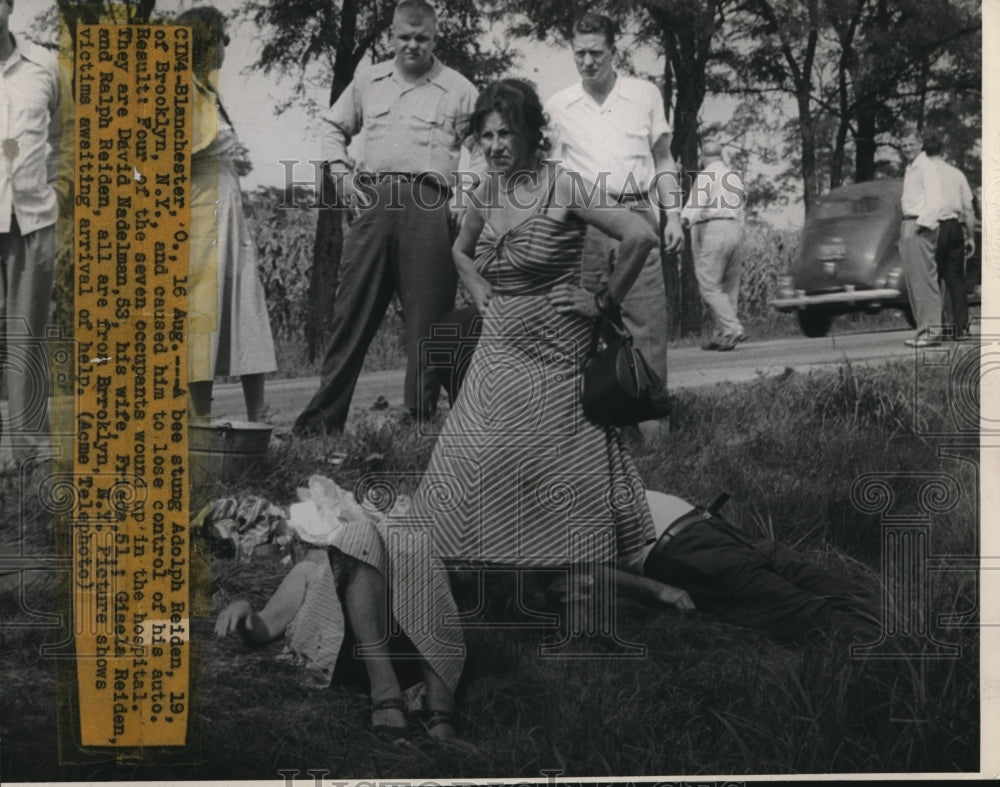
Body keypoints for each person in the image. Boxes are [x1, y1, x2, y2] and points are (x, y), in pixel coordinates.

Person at [327, 78, 695, 743]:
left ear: (532, 136)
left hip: (557, 348)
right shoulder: (488, 190)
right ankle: (468, 589)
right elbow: (459, 249)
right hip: (499, 344)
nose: (495, 147)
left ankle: (579, 596)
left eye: (507, 135)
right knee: (466, 466)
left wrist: (602, 300)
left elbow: (639, 234)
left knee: (564, 469)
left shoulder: (567, 186)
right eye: (486, 136)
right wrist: (475, 285)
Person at [294, 0, 478, 435]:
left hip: (431, 204)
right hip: (374, 202)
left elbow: (484, 151)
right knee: (351, 313)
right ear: (391, 35)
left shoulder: (459, 88)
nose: (412, 46)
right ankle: (323, 422)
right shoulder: (368, 79)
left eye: (422, 38)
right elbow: (332, 128)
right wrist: (339, 174)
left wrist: (466, 195)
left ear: (436, 38)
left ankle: (419, 419)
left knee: (428, 322)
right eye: (404, 38)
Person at [546, 13, 682, 441]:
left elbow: (663, 159)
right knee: (585, 327)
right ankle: (590, 435)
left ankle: (654, 434)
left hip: (638, 218)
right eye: (579, 53)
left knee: (646, 328)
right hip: (585, 226)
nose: (587, 62)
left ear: (613, 51)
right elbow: (551, 177)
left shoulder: (643, 95)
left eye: (596, 53)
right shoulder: (558, 107)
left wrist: (672, 215)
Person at [180, 7, 277, 422]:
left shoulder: (206, 91)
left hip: (227, 211)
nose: (227, 45)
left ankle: (259, 414)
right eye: (222, 37)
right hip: (200, 214)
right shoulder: (177, 90)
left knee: (245, 305)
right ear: (204, 41)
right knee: (204, 310)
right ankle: (201, 418)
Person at [617, 491, 880, 643]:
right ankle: (896, 653)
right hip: (684, 549)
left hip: (709, 526)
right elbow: (582, 568)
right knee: (803, 612)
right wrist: (658, 590)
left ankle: (904, 632)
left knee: (820, 583)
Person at [0, 0, 66, 465]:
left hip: (33, 220)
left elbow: (68, 135)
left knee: (27, 338)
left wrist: (62, 188)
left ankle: (29, 457)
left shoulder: (45, 65)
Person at [681, 141, 746, 351]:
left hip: (712, 228)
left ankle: (733, 329)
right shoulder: (733, 176)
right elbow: (742, 206)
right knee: (729, 285)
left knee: (708, 284)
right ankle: (721, 335)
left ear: (703, 157)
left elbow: (695, 204)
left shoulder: (707, 175)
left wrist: (682, 221)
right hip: (735, 228)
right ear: (720, 156)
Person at [899, 133, 949, 349]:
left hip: (920, 226)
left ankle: (932, 332)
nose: (907, 147)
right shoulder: (911, 168)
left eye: (911, 143)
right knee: (914, 284)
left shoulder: (926, 166)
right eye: (904, 144)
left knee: (925, 281)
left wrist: (922, 224)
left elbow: (936, 199)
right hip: (908, 224)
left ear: (920, 144)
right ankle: (923, 332)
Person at [932, 151, 976, 340]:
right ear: (943, 152)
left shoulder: (925, 173)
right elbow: (968, 207)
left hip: (933, 226)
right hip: (954, 227)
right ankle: (960, 327)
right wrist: (971, 236)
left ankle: (936, 328)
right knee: (955, 279)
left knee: (933, 279)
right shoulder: (956, 174)